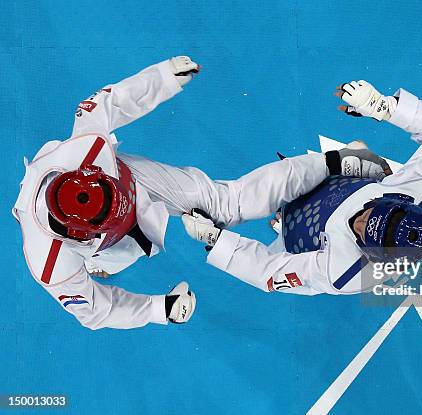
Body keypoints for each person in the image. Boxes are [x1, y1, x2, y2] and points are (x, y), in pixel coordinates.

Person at [14, 58, 390, 329]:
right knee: (106, 268)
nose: (128, 214)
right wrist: (158, 310)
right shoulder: (53, 265)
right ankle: (105, 252)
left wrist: (161, 78)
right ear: (81, 234)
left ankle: (336, 162)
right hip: (105, 249)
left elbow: (110, 101)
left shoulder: (88, 149)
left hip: (134, 179)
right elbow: (96, 310)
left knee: (223, 203)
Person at [182, 80, 422, 295]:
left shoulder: (342, 272)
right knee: (299, 171)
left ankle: (287, 220)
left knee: (287, 246)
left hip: (302, 242)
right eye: (369, 214)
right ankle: (351, 163)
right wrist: (384, 107)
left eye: (363, 231)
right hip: (347, 185)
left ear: (372, 254)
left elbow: (268, 271)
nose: (360, 220)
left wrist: (220, 243)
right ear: (399, 200)